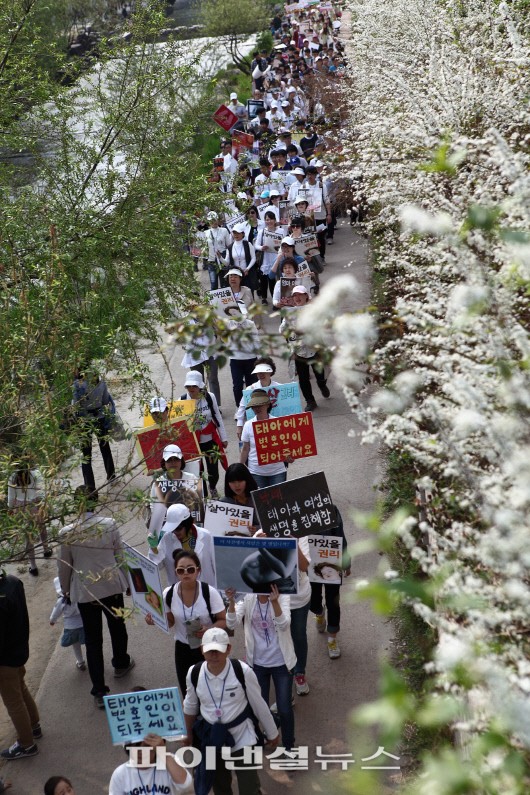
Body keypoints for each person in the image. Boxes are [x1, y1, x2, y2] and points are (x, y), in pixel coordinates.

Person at [58, 486, 134, 708]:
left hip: (85, 591)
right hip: (111, 586)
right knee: (117, 626)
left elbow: (65, 566)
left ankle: (99, 690)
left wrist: (65, 589)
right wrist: (127, 582)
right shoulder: (109, 524)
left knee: (93, 640)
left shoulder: (67, 532)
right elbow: (120, 554)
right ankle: (121, 663)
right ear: (96, 502)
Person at [183, 628, 279, 795]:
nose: (214, 655)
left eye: (218, 650)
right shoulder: (194, 673)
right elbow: (190, 705)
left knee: (249, 785)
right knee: (220, 786)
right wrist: (188, 733)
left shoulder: (242, 671)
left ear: (228, 649)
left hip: (243, 735)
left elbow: (259, 704)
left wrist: (272, 733)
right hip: (211, 737)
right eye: (210, 650)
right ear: (202, 650)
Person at [226, 584, 296, 750]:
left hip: (281, 663)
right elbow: (231, 624)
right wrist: (230, 601)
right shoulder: (248, 596)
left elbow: (285, 624)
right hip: (257, 663)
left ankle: (289, 746)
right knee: (259, 706)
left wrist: (275, 602)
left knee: (285, 707)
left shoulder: (283, 595)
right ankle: (274, 723)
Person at [146, 550, 226, 695]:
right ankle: (193, 717)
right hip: (182, 648)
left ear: (198, 571)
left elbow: (223, 620)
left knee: (212, 690)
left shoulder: (209, 592)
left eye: (190, 569)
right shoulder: (168, 594)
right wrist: (155, 620)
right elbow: (170, 623)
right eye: (180, 570)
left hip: (208, 646)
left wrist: (209, 628)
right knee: (188, 690)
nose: (186, 573)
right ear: (176, 573)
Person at [0, 571, 41, 760]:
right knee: (21, 689)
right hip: (18, 650)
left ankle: (26, 744)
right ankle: (34, 725)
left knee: (13, 701)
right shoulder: (13, 582)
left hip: (4, 659)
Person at [279, 285, 331, 411]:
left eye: (300, 295)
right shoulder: (289, 312)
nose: (297, 298)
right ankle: (310, 400)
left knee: (319, 372)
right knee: (303, 377)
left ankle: (322, 384)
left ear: (306, 296)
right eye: (295, 295)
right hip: (299, 350)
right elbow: (282, 329)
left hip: (314, 347)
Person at [310, 506, 351, 659]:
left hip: (332, 563)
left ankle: (332, 639)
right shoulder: (298, 512)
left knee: (333, 602)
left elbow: (341, 536)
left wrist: (346, 563)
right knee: (312, 601)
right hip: (309, 565)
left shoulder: (331, 510)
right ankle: (319, 612)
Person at [148, 503, 216, 587]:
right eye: (172, 529)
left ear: (187, 524)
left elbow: (216, 566)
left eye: (178, 528)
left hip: (206, 591)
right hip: (179, 594)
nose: (175, 532)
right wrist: (154, 548)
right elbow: (156, 565)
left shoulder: (206, 536)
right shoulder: (166, 539)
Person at [182, 370, 227, 499]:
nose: (191, 389)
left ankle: (212, 487)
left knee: (214, 471)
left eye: (194, 386)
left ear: (200, 386)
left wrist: (223, 437)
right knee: (198, 472)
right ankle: (204, 497)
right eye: (188, 386)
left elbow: (217, 416)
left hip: (210, 439)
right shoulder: (182, 400)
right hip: (194, 443)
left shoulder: (209, 397)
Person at [147, 443, 202, 544]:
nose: (173, 463)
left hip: (189, 529)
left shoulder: (193, 479)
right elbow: (154, 508)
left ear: (181, 461)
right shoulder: (158, 483)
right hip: (167, 531)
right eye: (169, 460)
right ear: (164, 463)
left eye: (176, 459)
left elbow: (198, 506)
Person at [72, 366, 116, 492]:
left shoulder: (77, 385)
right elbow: (105, 400)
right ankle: (111, 476)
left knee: (86, 455)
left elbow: (75, 405)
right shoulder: (101, 383)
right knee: (105, 448)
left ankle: (89, 485)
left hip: (84, 422)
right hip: (100, 418)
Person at [109, 733, 192, 794]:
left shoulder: (169, 762)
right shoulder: (120, 774)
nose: (141, 751)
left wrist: (163, 753)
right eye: (136, 746)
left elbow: (185, 784)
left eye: (147, 746)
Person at [240, 390, 292, 488]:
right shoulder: (247, 425)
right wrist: (240, 467)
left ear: (268, 405)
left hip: (278, 471)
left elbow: (285, 445)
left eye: (260, 404)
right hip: (256, 472)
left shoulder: (278, 423)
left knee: (278, 500)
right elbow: (245, 448)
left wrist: (290, 456)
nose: (257, 408)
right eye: (254, 406)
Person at [7, 461, 51, 576]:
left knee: (27, 535)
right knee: (42, 527)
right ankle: (46, 549)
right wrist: (42, 502)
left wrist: (10, 508)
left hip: (21, 507)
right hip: (36, 504)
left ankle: (33, 566)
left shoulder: (13, 477)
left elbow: (11, 498)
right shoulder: (35, 473)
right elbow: (42, 491)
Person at [235, 358, 282, 439]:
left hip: (278, 426)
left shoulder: (280, 388)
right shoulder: (250, 389)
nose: (261, 375)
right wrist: (239, 426)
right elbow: (242, 407)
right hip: (257, 428)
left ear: (270, 372)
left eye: (263, 372)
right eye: (258, 372)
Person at [289, 535, 312, 696]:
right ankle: (282, 674)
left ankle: (299, 672)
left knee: (298, 635)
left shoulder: (301, 535)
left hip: (298, 599)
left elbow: (304, 566)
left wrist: (294, 544)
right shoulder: (262, 533)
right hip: (274, 601)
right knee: (278, 639)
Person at [49, 576, 86, 671]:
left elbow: (55, 613)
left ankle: (80, 662)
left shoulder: (61, 601)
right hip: (83, 624)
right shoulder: (78, 595)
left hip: (71, 627)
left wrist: (52, 621)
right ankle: (93, 658)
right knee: (88, 643)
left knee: (76, 645)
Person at [226, 316, 260, 407]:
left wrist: (260, 359)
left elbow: (256, 341)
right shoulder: (228, 324)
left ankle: (252, 406)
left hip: (251, 358)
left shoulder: (250, 324)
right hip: (235, 359)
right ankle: (239, 407)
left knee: (251, 385)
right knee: (237, 385)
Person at [221, 463, 259, 534]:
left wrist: (257, 529)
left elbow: (270, 523)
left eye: (240, 481)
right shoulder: (223, 504)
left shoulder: (259, 498)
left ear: (247, 480)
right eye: (232, 482)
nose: (237, 485)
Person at [205, 212, 232, 290]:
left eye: (215, 219)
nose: (214, 222)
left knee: (224, 283)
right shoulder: (206, 233)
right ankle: (214, 302)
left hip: (222, 258)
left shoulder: (224, 230)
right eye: (211, 220)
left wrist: (226, 258)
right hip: (211, 260)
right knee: (213, 284)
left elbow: (229, 246)